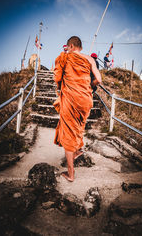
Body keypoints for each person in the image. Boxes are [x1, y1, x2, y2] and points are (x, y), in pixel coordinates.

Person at [53, 36, 101, 182]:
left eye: (67, 47)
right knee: (78, 126)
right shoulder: (90, 59)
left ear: (72, 46)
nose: (66, 50)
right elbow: (98, 79)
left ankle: (71, 174)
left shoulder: (65, 57)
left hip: (71, 97)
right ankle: (78, 150)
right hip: (85, 99)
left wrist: (61, 86)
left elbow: (57, 77)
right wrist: (89, 86)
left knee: (68, 132)